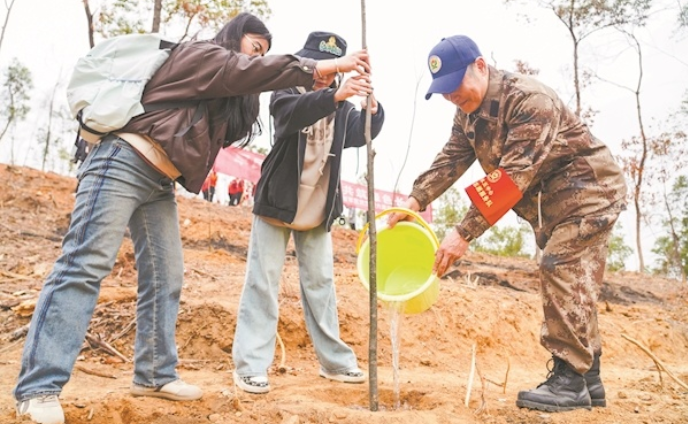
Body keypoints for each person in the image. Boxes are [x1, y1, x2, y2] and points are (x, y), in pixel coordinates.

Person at [13, 13, 372, 424]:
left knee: (167, 277)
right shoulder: (203, 55)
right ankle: (38, 387)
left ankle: (153, 374)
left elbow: (244, 87)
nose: (256, 58)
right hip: (122, 160)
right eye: (255, 48)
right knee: (84, 265)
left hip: (158, 181)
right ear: (235, 39)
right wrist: (324, 68)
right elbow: (243, 71)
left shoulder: (222, 89)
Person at [387, 35, 627, 412]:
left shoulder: (531, 102)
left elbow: (512, 179)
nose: (451, 96)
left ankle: (569, 381)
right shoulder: (467, 111)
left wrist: (462, 232)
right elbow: (452, 157)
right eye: (444, 90)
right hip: (554, 203)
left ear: (480, 66)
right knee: (573, 279)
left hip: (590, 191)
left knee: (560, 266)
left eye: (455, 86)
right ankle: (589, 379)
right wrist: (415, 200)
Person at [232, 31, 385, 394]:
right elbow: (288, 119)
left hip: (318, 207)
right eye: (317, 65)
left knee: (321, 284)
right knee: (263, 282)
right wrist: (334, 96)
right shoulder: (286, 92)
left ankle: (334, 362)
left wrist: (372, 109)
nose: (323, 74)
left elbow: (359, 133)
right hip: (278, 200)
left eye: (331, 71)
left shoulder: (342, 104)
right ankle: (251, 365)